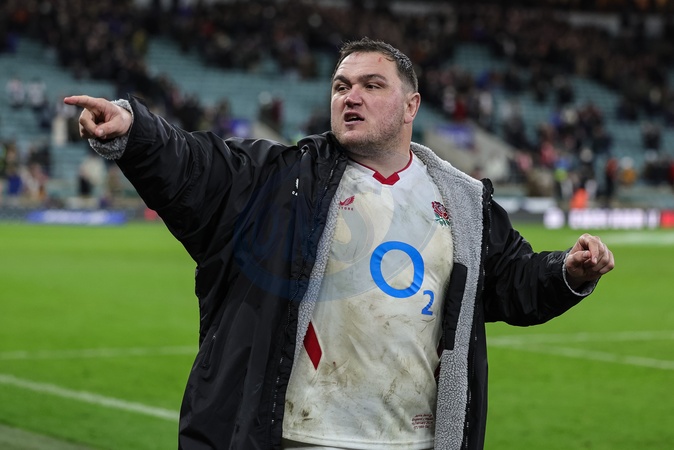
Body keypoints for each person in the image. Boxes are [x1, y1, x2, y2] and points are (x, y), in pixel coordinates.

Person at [64, 38, 614, 450]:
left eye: (372, 85)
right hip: (303, 436)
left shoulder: (464, 200)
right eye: (341, 86)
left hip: (415, 439)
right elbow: (195, 168)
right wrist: (134, 132)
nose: (351, 96)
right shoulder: (281, 179)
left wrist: (568, 273)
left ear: (411, 106)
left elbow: (511, 279)